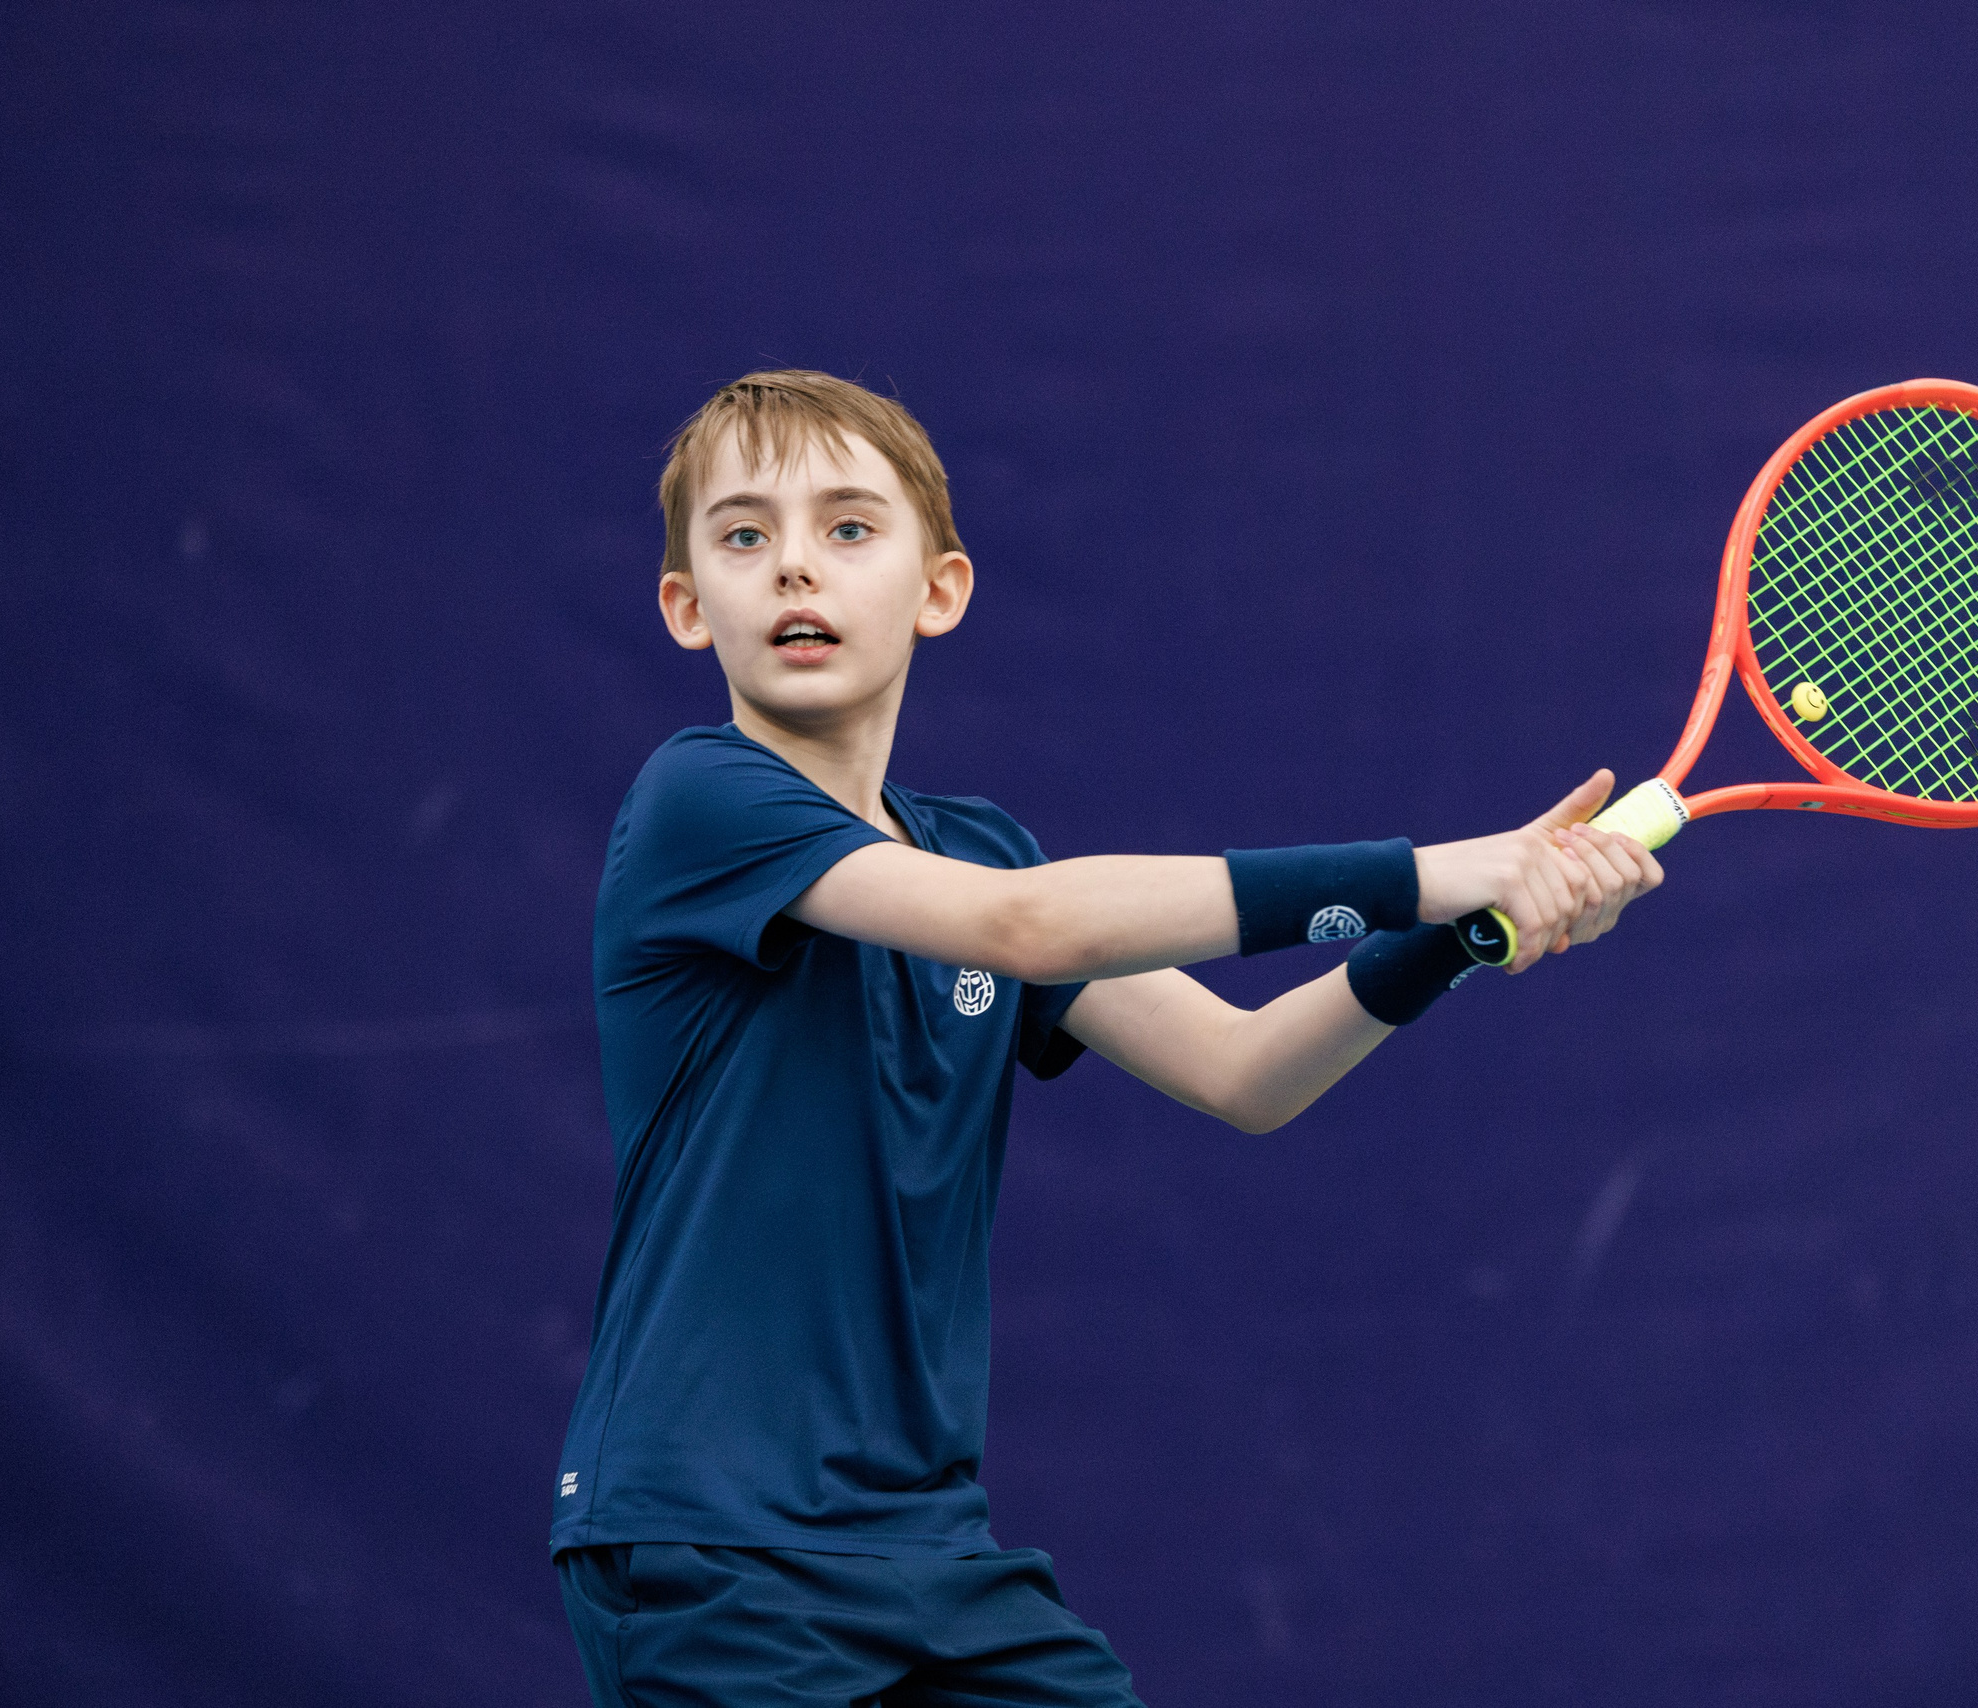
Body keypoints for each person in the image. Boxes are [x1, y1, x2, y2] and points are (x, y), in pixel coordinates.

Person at [550, 370, 1663, 1707]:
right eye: (744, 535)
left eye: (848, 527)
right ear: (686, 607)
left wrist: (1463, 933)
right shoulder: (698, 800)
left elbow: (1244, 1072)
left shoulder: (979, 849)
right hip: (711, 1555)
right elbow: (1029, 928)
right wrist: (1427, 872)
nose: (795, 564)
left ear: (940, 589)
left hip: (933, 1558)